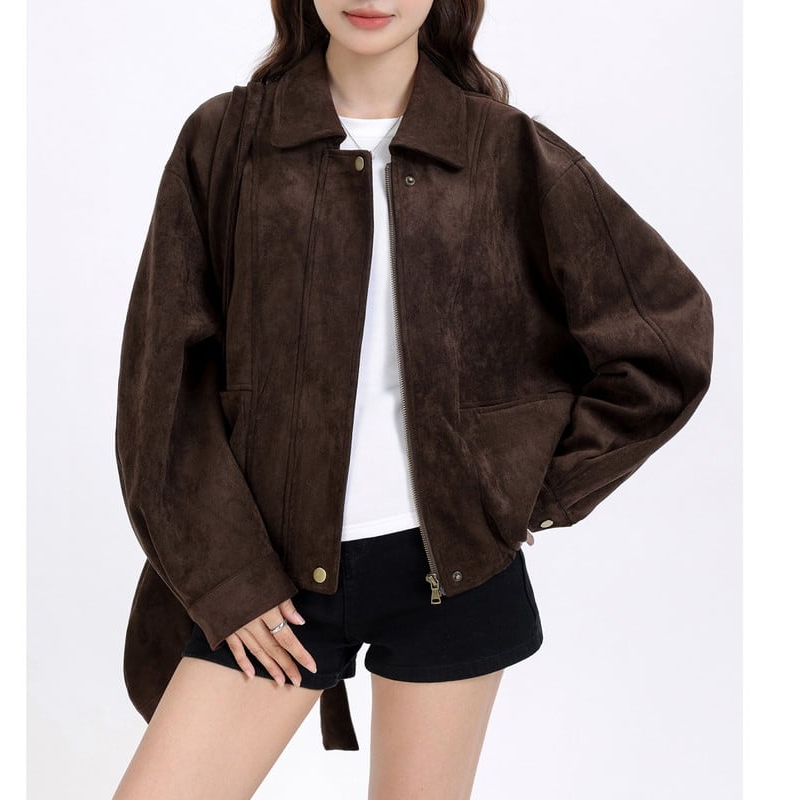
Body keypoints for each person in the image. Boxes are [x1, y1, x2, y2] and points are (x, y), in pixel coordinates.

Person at [112, 1, 714, 798]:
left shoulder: (504, 149)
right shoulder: (227, 139)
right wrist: (228, 580)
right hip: (267, 576)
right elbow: (161, 387)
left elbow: (664, 338)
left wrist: (519, 492)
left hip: (451, 575)